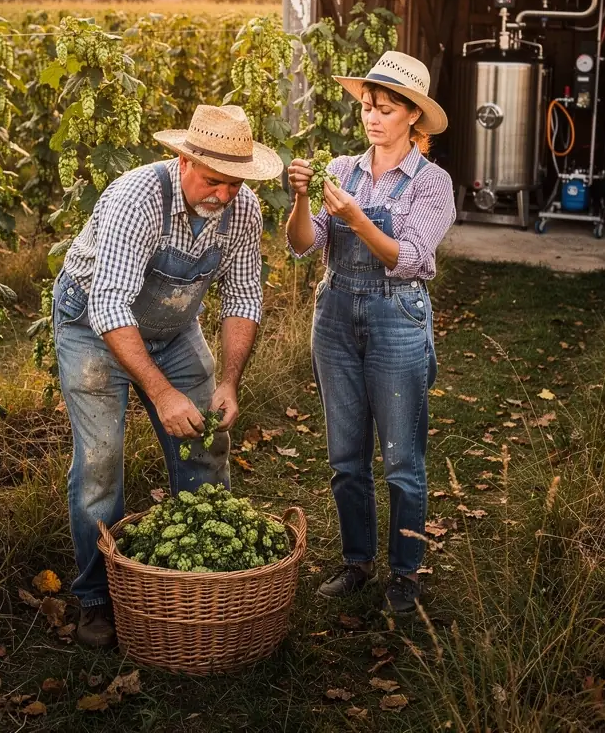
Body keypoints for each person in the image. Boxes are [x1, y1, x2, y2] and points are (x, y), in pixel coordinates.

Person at [53, 103, 283, 648]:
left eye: (234, 184)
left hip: (173, 328)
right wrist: (159, 393)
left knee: (207, 441)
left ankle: (201, 579)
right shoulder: (137, 198)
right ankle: (95, 598)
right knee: (101, 464)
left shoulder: (242, 208)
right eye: (212, 181)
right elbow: (110, 304)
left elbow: (244, 296)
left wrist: (228, 382)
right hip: (92, 323)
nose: (223, 195)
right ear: (183, 161)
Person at [286, 50, 455, 615]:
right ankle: (357, 561)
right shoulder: (344, 168)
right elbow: (304, 244)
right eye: (366, 106)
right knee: (345, 456)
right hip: (334, 313)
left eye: (385, 108)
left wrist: (357, 217)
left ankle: (405, 572)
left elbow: (407, 259)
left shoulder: (432, 184)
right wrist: (304, 198)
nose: (372, 118)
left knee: (403, 461)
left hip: (395, 317)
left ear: (412, 116)